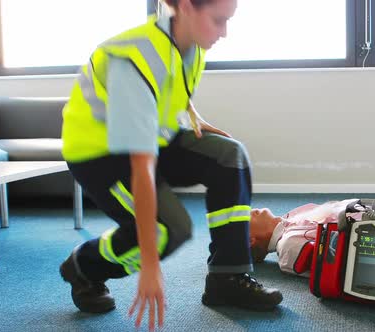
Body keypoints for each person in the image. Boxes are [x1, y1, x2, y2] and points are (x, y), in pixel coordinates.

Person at [59, 0, 282, 330]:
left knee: (228, 155)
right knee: (167, 230)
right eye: (219, 21)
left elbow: (173, 86)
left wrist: (195, 116)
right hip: (101, 152)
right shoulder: (133, 57)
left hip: (152, 136)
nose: (225, 33)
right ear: (187, 8)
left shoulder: (192, 42)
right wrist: (150, 265)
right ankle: (85, 265)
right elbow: (141, 169)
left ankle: (228, 276)